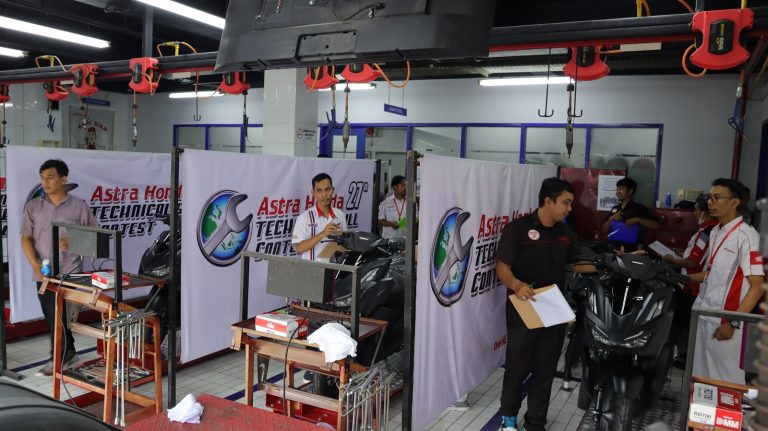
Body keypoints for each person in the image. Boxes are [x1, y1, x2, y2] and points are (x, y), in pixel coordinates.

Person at [496, 177, 595, 431]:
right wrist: (517, 285)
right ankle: (508, 417)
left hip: (553, 308)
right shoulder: (518, 229)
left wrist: (613, 262)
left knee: (546, 369)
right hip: (524, 307)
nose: (569, 208)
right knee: (517, 367)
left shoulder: (565, 232)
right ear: (548, 201)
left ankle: (535, 422)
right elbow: (502, 267)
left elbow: (577, 263)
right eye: (566, 202)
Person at [21, 159, 99, 376]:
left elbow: (96, 236)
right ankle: (69, 351)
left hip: (70, 271)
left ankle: (59, 357)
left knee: (59, 315)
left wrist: (74, 241)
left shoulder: (79, 206)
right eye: (42, 178)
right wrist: (34, 264)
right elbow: (25, 237)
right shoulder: (34, 206)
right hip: (44, 271)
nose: (45, 182)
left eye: (50, 177)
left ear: (64, 179)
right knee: (51, 315)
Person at [689, 178, 764, 383]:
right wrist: (680, 277)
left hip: (727, 321)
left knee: (725, 381)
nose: (710, 202)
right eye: (709, 197)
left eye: (717, 197)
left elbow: (757, 286)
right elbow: (712, 273)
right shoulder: (715, 231)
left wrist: (732, 322)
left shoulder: (748, 237)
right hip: (704, 314)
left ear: (735, 202)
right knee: (700, 376)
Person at [662, 194, 717, 368]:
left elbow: (693, 262)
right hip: (695, 285)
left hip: (692, 286)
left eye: (695, 209)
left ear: (704, 212)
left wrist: (673, 260)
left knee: (683, 322)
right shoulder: (712, 231)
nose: (694, 213)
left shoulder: (706, 233)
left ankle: (682, 355)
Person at [292, 172, 348, 261]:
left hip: (334, 267)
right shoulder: (304, 217)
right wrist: (323, 233)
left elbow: (345, 244)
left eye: (327, 189)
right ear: (313, 193)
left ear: (333, 190)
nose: (324, 195)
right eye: (319, 191)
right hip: (312, 268)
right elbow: (299, 249)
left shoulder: (340, 215)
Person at [601, 177, 660, 251]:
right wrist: (611, 219)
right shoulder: (615, 209)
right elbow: (603, 231)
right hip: (612, 248)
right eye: (617, 189)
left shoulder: (639, 208)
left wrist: (638, 220)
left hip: (631, 251)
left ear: (630, 191)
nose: (618, 192)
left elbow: (657, 225)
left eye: (621, 189)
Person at [378, 175, 407, 239]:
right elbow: (380, 220)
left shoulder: (411, 203)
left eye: (406, 185)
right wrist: (391, 224)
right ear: (395, 187)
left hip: (406, 239)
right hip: (389, 240)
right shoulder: (385, 203)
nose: (405, 188)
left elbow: (416, 218)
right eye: (402, 185)